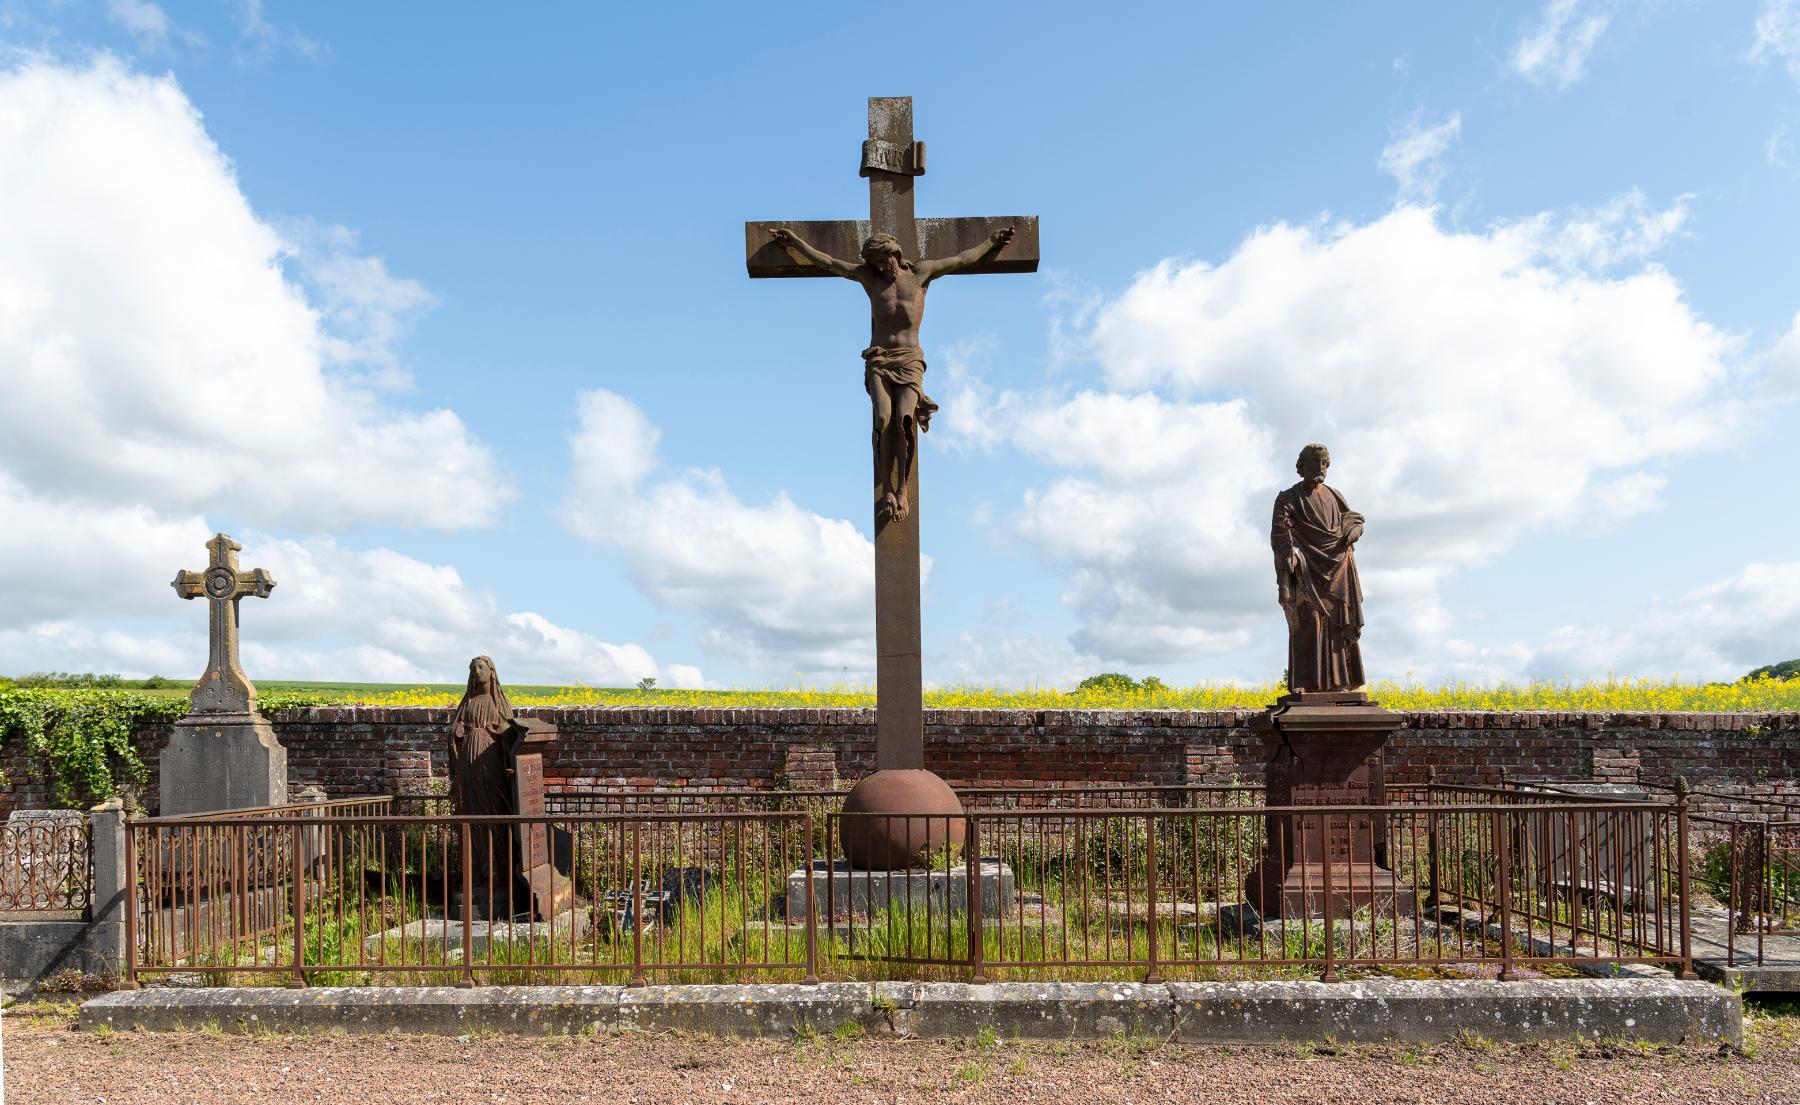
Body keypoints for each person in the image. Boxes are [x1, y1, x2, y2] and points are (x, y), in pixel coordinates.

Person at [768, 225, 1013, 521]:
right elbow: (829, 262)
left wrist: (991, 241)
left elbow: (961, 258)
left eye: (884, 260)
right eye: (876, 263)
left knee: (903, 420)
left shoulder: (922, 274)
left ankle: (902, 489)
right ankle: (885, 487)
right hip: (880, 360)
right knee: (883, 419)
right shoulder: (869, 279)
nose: (882, 267)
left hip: (910, 360)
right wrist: (796, 243)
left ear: (895, 253)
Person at [1271, 444, 1367, 693]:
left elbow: (1353, 518)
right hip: (1307, 569)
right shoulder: (1288, 498)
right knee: (1310, 621)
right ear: (1302, 467)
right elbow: (1281, 532)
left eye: (1324, 463)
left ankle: (1340, 683)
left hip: (1338, 568)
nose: (1321, 468)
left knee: (1337, 626)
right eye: (1315, 463)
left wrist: (1355, 530)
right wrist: (1288, 553)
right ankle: (1306, 683)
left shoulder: (1334, 495)